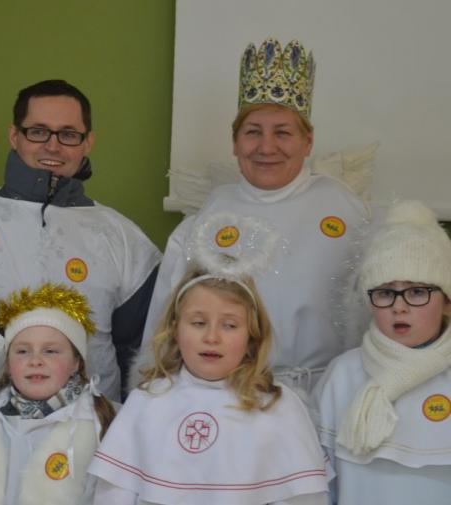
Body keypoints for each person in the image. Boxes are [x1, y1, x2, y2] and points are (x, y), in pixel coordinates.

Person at [138, 38, 369, 395]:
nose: (266, 147)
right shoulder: (207, 219)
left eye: (283, 133)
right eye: (252, 133)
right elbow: (163, 321)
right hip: (227, 398)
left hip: (325, 393)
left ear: (307, 141)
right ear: (235, 142)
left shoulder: (346, 211)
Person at [0, 79, 161, 405]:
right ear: (14, 136)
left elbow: (143, 352)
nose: (53, 146)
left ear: (88, 142)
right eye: (38, 131)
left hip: (89, 430)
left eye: (68, 134)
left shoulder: (122, 237)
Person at [89, 259, 329, 504]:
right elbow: (114, 494)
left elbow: (306, 498)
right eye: (199, 323)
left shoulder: (278, 407)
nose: (212, 337)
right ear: (175, 328)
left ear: (252, 335)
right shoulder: (147, 402)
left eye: (230, 325)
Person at [314, 200, 451, 504]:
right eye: (386, 292)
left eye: (417, 291)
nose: (399, 306)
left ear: (447, 301)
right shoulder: (343, 374)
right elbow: (319, 481)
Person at [0, 283, 116, 505]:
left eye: (50, 351)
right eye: (22, 351)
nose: (35, 361)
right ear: (8, 364)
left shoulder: (100, 425)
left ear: (76, 363)